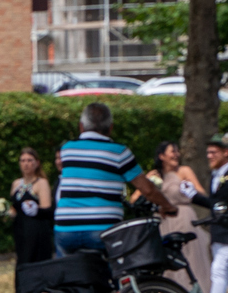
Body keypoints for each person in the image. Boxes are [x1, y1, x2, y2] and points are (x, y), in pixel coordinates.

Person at [53, 101, 172, 256]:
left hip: (66, 228)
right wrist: (167, 206)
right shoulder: (119, 152)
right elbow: (147, 189)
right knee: (115, 266)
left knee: (66, 268)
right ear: (111, 128)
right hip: (103, 228)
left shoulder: (67, 149)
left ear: (81, 126)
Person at [0, 147, 55, 293]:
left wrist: (36, 210)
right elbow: (15, 208)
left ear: (37, 163)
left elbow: (47, 210)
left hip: (38, 236)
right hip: (22, 235)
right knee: (21, 276)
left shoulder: (41, 183)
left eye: (30, 160)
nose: (26, 164)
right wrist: (6, 212)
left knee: (37, 277)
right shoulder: (16, 184)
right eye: (23, 160)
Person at [143, 140, 212, 293]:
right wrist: (147, 181)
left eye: (177, 151)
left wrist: (189, 189)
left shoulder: (184, 171)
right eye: (172, 151)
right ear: (162, 156)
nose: (176, 155)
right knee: (168, 261)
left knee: (190, 258)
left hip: (183, 218)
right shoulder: (156, 176)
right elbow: (136, 198)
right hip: (164, 222)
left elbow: (201, 194)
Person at [204, 136, 228, 293]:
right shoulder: (216, 175)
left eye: (214, 152)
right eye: (208, 152)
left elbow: (220, 203)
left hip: (226, 231)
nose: (209, 156)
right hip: (219, 231)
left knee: (218, 270)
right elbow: (214, 203)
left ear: (226, 153)